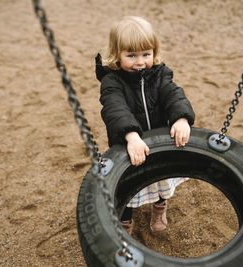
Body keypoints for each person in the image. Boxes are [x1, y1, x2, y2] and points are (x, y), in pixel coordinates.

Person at [95, 16, 195, 235]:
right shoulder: (112, 82)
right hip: (129, 146)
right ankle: (124, 221)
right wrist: (130, 136)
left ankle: (159, 207)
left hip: (159, 144)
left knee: (160, 180)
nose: (140, 62)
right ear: (116, 54)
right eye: (131, 55)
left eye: (146, 54)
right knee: (126, 188)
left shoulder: (160, 74)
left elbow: (173, 94)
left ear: (154, 52)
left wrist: (180, 118)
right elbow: (115, 109)